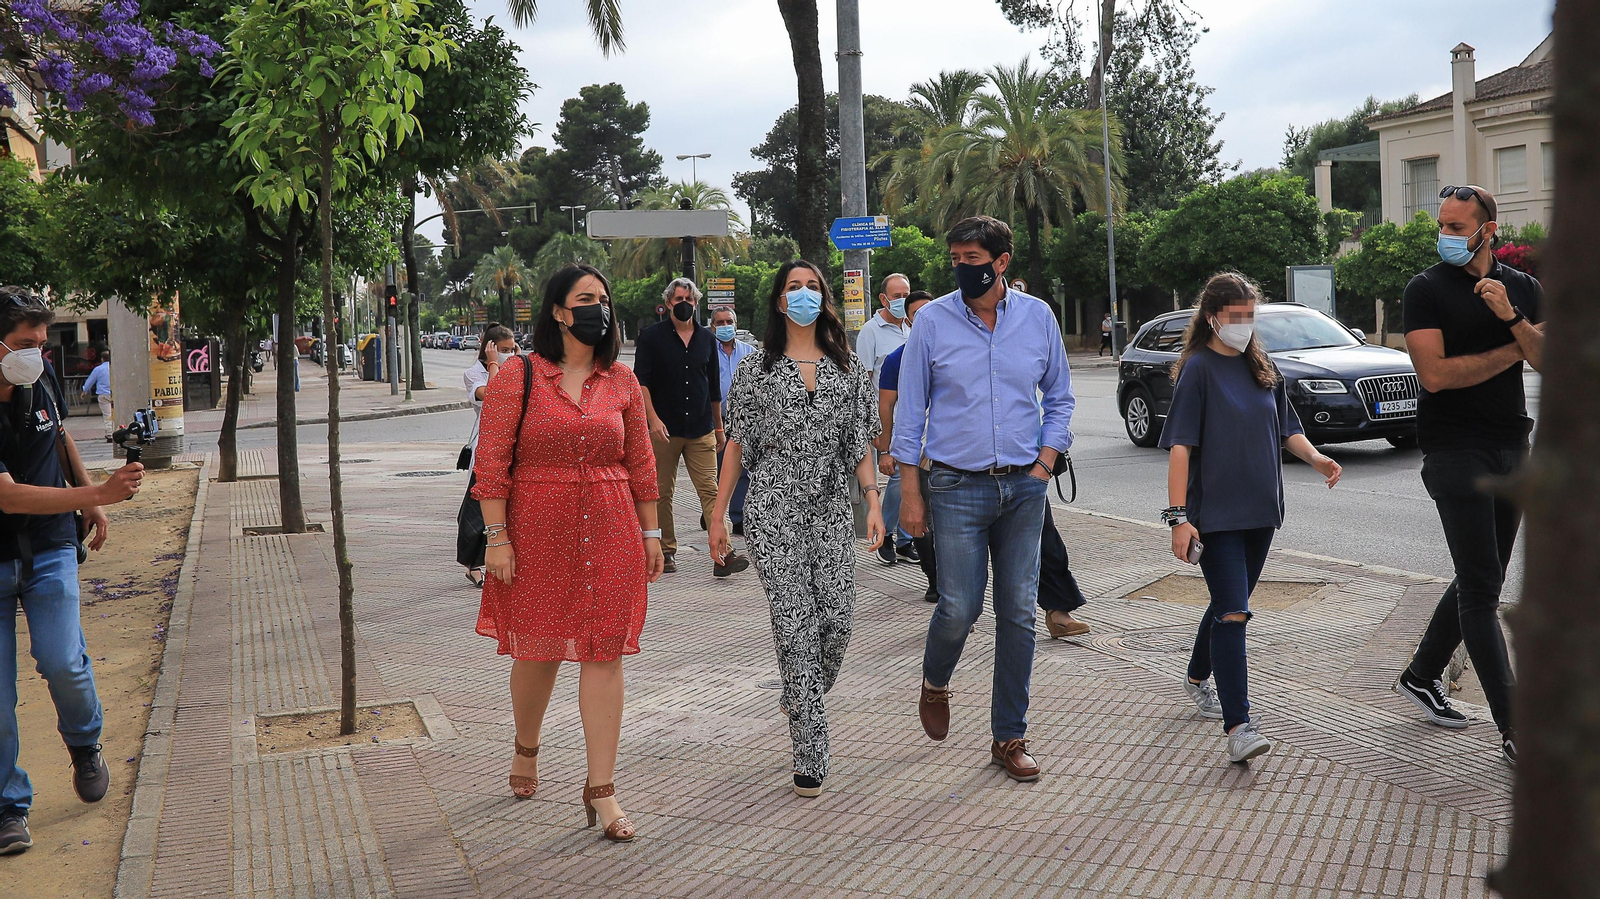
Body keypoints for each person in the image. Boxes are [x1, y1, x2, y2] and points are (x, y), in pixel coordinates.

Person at [472, 264, 663, 844]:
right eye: (585, 299)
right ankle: (526, 746)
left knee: (605, 651)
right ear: (558, 310)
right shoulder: (518, 376)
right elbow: (492, 462)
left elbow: (641, 464)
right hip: (536, 530)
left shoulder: (623, 383)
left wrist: (652, 534)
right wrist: (497, 537)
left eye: (603, 300)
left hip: (611, 529)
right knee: (539, 650)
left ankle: (601, 790)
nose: (597, 309)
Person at [894, 216, 1074, 783]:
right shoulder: (932, 323)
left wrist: (1046, 462)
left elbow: (1061, 398)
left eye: (973, 257)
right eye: (956, 258)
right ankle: (935, 679)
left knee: (1018, 613)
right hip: (955, 486)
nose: (962, 267)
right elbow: (909, 411)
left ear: (1001, 262)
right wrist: (910, 493)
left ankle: (1009, 736)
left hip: (1024, 488)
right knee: (959, 608)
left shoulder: (1038, 317)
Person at [708, 260, 885, 798]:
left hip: (831, 510)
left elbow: (859, 443)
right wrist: (718, 515)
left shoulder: (848, 368)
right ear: (779, 301)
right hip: (773, 508)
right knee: (795, 625)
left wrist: (873, 502)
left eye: (813, 287)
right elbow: (736, 443)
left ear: (824, 299)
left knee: (837, 623)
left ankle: (799, 688)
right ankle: (810, 748)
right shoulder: (756, 369)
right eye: (793, 287)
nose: (804, 295)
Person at [1159, 273, 1343, 764]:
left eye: (1249, 316)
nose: (1243, 325)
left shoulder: (1263, 367)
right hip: (1214, 517)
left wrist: (1318, 459)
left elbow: (1288, 429)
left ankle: (1197, 677)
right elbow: (1180, 448)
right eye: (1235, 316)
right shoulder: (1197, 369)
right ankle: (1239, 725)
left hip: (1262, 513)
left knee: (1227, 604)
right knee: (1235, 612)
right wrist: (1178, 517)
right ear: (1213, 317)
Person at [1395, 185, 1542, 767]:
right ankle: (1514, 728)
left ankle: (1423, 673)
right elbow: (1434, 376)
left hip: (1512, 445)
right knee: (1482, 589)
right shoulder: (1425, 290)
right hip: (1455, 451)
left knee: (1483, 574)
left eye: (1458, 227)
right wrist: (1515, 347)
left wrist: (1510, 317)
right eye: (1443, 225)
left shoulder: (1523, 289)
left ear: (1488, 231)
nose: (1446, 235)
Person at [0, 286, 144, 857]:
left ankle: (85, 744)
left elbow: (58, 434)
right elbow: (6, 497)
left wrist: (92, 502)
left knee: (61, 659)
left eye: (40, 342)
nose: (34, 354)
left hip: (51, 546)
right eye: (21, 343)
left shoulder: (41, 380)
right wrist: (100, 488)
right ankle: (9, 807)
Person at [634, 278, 748, 578]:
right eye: (678, 299)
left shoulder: (706, 340)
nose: (684, 304)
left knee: (711, 490)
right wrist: (652, 419)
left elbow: (712, 389)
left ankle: (722, 552)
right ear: (668, 302)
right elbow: (640, 383)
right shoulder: (651, 337)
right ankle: (666, 551)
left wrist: (720, 428)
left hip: (701, 427)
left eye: (689, 299)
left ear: (696, 303)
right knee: (661, 491)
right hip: (663, 428)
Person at [875, 291, 937, 602]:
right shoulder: (897, 359)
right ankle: (934, 578)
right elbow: (885, 406)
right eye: (918, 314)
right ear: (909, 320)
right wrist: (885, 450)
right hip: (916, 455)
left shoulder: (956, 350)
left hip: (954, 455)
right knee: (920, 519)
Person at [858, 274, 917, 567]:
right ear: (883, 299)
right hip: (886, 417)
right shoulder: (870, 333)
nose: (902, 301)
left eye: (906, 294)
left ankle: (907, 539)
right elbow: (864, 382)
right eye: (896, 296)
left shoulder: (914, 328)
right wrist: (878, 436)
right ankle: (889, 534)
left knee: (915, 476)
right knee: (896, 476)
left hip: (915, 416)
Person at [458, 324, 517, 587]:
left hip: (515, 444)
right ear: (489, 348)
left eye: (511, 349)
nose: (508, 354)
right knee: (477, 509)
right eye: (503, 350)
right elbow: (492, 398)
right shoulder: (474, 374)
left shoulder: (516, 368)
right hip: (487, 447)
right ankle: (473, 564)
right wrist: (494, 364)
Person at [711, 307, 756, 535]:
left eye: (729, 321)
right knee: (716, 469)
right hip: (715, 420)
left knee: (742, 469)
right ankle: (712, 510)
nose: (725, 326)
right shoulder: (708, 352)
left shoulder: (750, 352)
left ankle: (738, 516)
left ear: (736, 325)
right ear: (713, 327)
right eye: (720, 322)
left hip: (744, 420)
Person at [80, 348, 113, 442]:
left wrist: (85, 390)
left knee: (107, 414)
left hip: (103, 394)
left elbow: (90, 380)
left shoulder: (98, 369)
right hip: (115, 394)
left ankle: (110, 434)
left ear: (102, 359)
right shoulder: (115, 367)